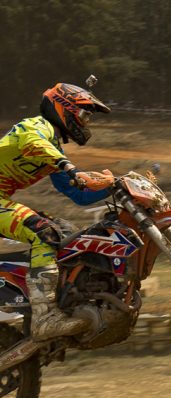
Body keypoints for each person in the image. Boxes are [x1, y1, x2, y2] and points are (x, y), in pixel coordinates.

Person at [1, 83, 114, 341]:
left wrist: (116, 186)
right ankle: (44, 318)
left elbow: (78, 194)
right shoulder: (35, 127)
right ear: (63, 108)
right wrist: (68, 166)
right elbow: (33, 142)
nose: (86, 122)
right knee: (43, 232)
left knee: (65, 232)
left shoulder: (53, 151)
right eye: (84, 115)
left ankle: (61, 300)